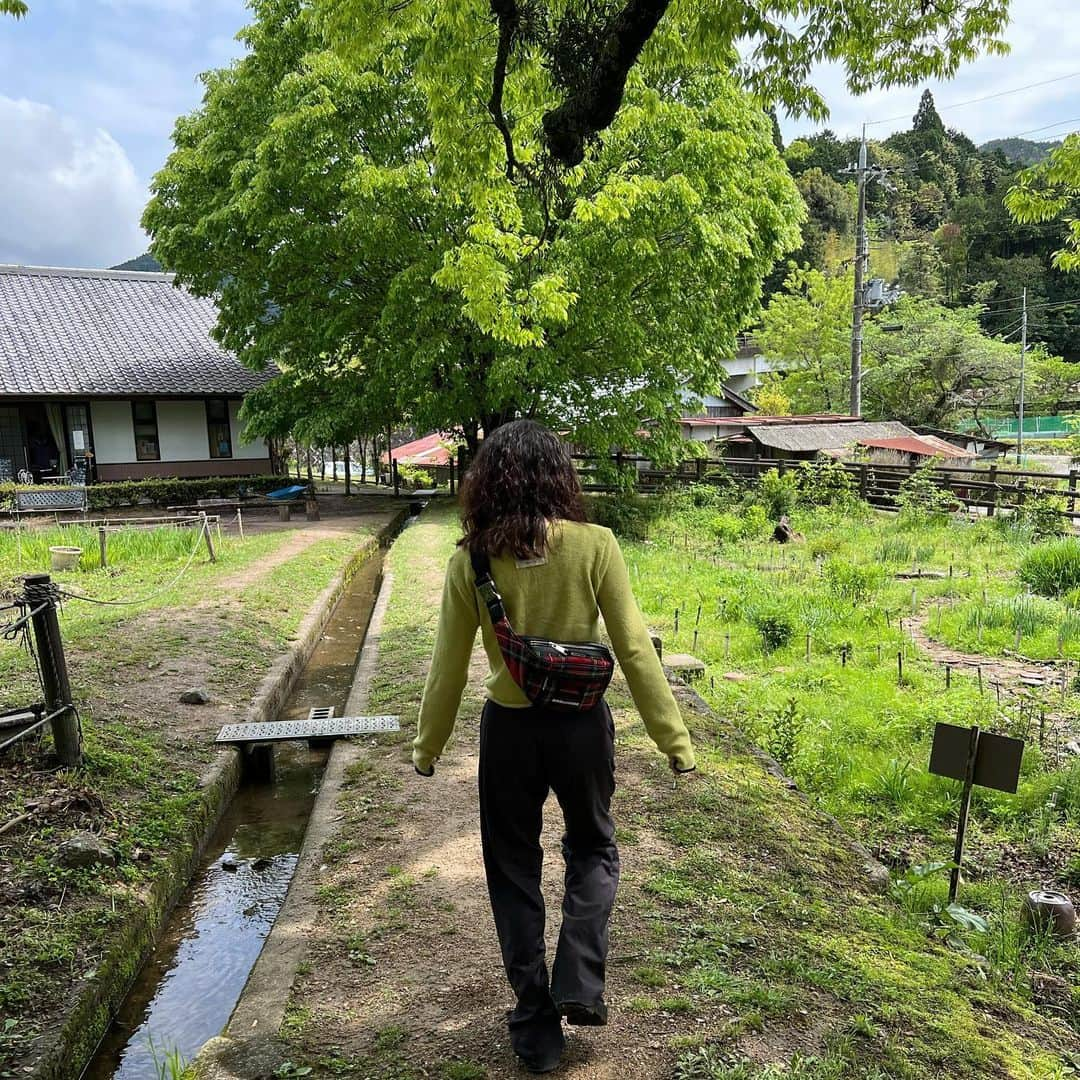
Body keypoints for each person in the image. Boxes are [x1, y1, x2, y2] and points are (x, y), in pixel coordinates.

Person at [413, 419, 696, 1074]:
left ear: (486, 485)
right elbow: (632, 646)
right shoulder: (596, 545)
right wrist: (673, 742)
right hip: (582, 726)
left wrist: (427, 748)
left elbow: (448, 667)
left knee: (512, 869)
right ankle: (580, 983)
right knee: (594, 845)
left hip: (509, 729)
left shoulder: (471, 560)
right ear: (559, 478)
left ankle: (537, 1025)